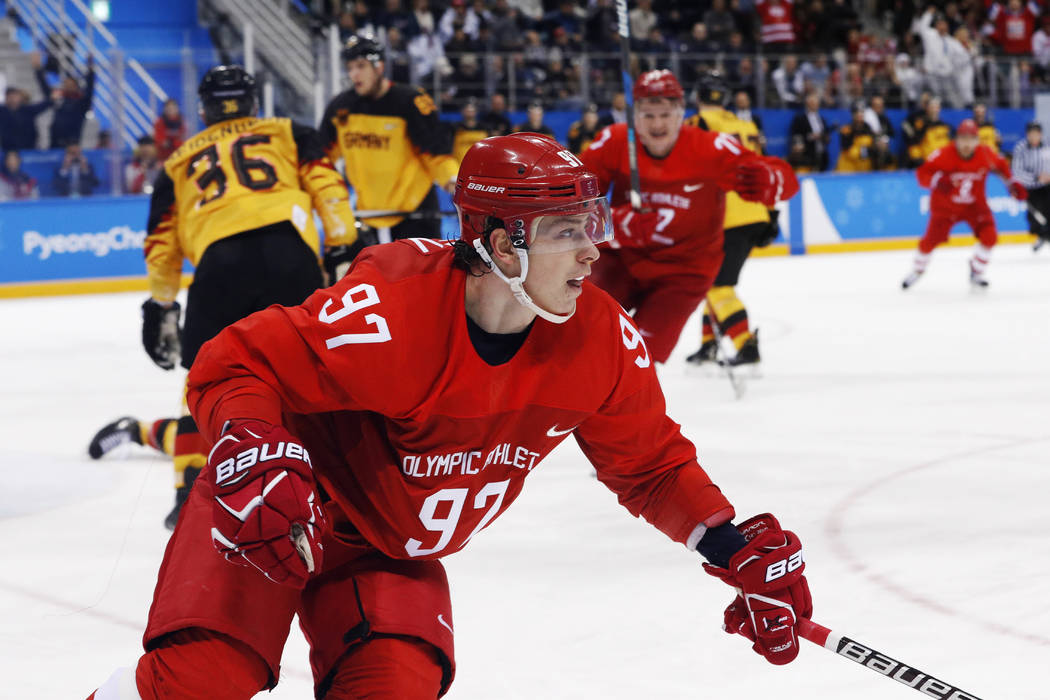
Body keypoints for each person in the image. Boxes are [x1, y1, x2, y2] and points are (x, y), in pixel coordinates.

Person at [86, 131, 814, 700]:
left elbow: (650, 466)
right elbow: (234, 361)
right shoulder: (392, 312)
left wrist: (728, 544)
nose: (594, 253)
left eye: (590, 225)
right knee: (202, 684)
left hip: (385, 548)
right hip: (281, 505)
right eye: (567, 231)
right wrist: (251, 450)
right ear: (502, 244)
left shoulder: (602, 341)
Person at [86, 65, 358, 530]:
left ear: (204, 109)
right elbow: (328, 189)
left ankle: (188, 491)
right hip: (288, 252)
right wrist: (342, 250)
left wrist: (162, 305)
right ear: (254, 103)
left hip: (219, 265)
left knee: (206, 387)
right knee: (315, 372)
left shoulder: (177, 162)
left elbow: (161, 244)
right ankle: (340, 481)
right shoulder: (290, 131)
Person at [580, 70, 798, 365]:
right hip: (621, 259)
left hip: (684, 274)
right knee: (575, 328)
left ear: (681, 113)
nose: (657, 124)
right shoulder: (613, 142)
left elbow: (786, 181)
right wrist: (614, 223)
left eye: (665, 114)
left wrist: (770, 180)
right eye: (648, 115)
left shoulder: (709, 148)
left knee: (637, 360)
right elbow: (571, 202)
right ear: (633, 116)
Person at [683, 72, 781, 369]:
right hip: (755, 211)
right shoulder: (746, 124)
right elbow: (764, 169)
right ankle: (709, 344)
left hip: (726, 216)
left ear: (697, 97)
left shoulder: (698, 124)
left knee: (718, 286)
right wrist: (771, 213)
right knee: (711, 280)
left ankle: (745, 345)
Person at [321, 34, 456, 244]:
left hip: (414, 215)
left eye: (361, 66)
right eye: (350, 67)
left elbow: (437, 153)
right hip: (368, 216)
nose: (354, 74)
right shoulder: (341, 107)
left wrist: (454, 182)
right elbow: (322, 157)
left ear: (379, 66)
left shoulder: (411, 101)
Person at [902, 119, 1027, 290]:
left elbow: (1001, 166)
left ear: (977, 140)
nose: (967, 143)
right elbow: (922, 174)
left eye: (971, 139)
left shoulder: (985, 153)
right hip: (945, 207)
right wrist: (937, 180)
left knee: (990, 236)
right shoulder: (943, 154)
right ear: (956, 139)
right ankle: (917, 270)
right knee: (930, 241)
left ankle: (977, 271)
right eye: (963, 138)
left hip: (975, 206)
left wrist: (1012, 183)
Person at [0, 52, 52, 151]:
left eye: (15, 95)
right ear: (6, 98)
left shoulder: (28, 110)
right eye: (9, 96)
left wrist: (38, 70)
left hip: (30, 151)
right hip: (9, 155)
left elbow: (50, 101)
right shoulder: (2, 111)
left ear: (20, 97)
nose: (12, 99)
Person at [1010, 121, 1050, 251]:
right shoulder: (1020, 148)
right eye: (1031, 134)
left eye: (1036, 133)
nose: (1034, 136)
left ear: (1040, 134)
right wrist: (1037, 177)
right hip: (1030, 188)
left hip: (1047, 186)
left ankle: (1046, 235)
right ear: (1027, 134)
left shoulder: (1047, 145)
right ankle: (1042, 235)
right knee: (1033, 219)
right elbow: (1017, 171)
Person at [48, 58, 95, 148]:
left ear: (76, 87)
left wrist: (91, 71)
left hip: (72, 143)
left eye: (71, 85)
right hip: (55, 142)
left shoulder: (81, 102)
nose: (68, 87)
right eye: (66, 85)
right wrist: (38, 70)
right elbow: (46, 90)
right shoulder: (59, 99)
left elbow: (89, 90)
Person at [903, 96, 950, 168]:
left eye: (936, 107)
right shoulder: (921, 126)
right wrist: (918, 159)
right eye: (932, 107)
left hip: (944, 163)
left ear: (939, 109)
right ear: (927, 109)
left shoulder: (945, 127)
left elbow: (951, 145)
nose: (934, 110)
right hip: (926, 163)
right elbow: (913, 143)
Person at [788, 91, 829, 171]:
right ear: (807, 104)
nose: (815, 105)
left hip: (821, 153)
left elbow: (825, 134)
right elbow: (796, 135)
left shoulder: (822, 119)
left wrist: (825, 137)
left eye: (816, 103)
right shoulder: (800, 119)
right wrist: (810, 136)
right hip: (807, 153)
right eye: (812, 103)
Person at [835, 102, 877, 172]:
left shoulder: (868, 128)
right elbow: (845, 146)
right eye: (857, 113)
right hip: (848, 166)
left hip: (863, 166)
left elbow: (873, 147)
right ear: (853, 115)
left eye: (862, 113)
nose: (859, 115)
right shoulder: (847, 129)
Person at [451, 99, 487, 163]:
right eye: (467, 110)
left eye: (472, 111)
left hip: (479, 164)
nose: (469, 113)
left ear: (476, 112)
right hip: (459, 164)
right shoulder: (455, 128)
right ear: (462, 112)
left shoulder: (484, 128)